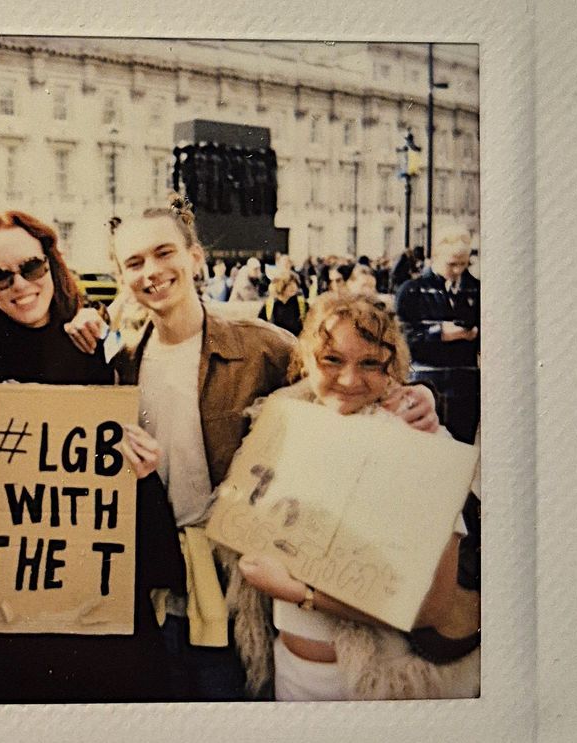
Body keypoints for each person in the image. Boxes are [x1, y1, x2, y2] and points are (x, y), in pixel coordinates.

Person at [67, 194, 439, 700]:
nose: (151, 271)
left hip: (245, 583)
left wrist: (414, 394)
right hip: (159, 580)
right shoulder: (124, 359)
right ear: (120, 275)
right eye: (134, 262)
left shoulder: (262, 344)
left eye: (164, 253)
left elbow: (344, 386)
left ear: (194, 257)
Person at [0, 210, 184, 703]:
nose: (20, 285)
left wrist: (139, 457)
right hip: (2, 583)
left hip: (89, 576)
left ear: (51, 262)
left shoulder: (90, 333)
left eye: (31, 267)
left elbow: (124, 407)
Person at [236, 291, 479, 701]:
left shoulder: (424, 444)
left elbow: (432, 608)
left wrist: (302, 594)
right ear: (307, 361)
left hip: (375, 684)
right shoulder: (284, 429)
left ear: (393, 370)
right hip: (291, 676)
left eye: (370, 363)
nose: (349, 379)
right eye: (332, 360)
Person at [395, 235, 481, 444]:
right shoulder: (411, 290)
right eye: (452, 264)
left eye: (463, 264)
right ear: (435, 258)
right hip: (426, 384)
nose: (458, 270)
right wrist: (439, 333)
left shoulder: (477, 289)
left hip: (464, 387)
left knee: (462, 450)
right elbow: (403, 337)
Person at [258, 269, 306, 337]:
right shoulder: (269, 304)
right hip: (275, 344)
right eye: (289, 284)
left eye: (295, 283)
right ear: (280, 285)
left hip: (297, 344)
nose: (294, 287)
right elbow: (260, 325)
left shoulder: (302, 303)